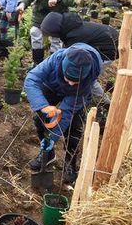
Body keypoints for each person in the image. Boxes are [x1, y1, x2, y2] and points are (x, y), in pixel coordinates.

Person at [24, 43, 103, 183]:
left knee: (73, 127)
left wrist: (54, 138)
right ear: (62, 68)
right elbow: (31, 79)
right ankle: (47, 154)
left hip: (75, 96)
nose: (71, 84)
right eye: (69, 78)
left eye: (75, 81)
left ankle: (70, 163)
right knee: (41, 119)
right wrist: (43, 107)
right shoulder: (56, 59)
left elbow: (66, 113)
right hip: (52, 86)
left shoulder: (89, 77)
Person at [17, 0, 75, 66]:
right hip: (41, 12)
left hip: (58, 14)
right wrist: (23, 4)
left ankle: (54, 63)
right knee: (35, 32)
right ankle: (37, 62)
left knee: (56, 39)